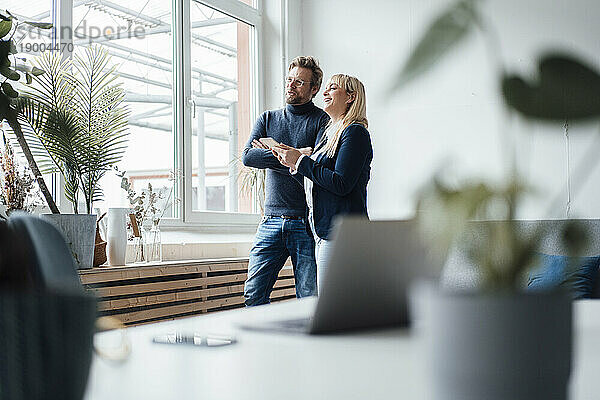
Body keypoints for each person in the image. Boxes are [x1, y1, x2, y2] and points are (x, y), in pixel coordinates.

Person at [242, 56, 329, 306]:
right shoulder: (267, 119)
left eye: (300, 82)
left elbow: (320, 164)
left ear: (314, 89)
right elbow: (248, 156)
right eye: (289, 80)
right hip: (269, 221)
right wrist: (296, 154)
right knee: (253, 294)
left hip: (305, 222)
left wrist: (273, 151)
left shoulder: (322, 121)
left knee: (308, 299)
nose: (291, 85)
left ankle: (307, 346)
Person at [273, 74, 373, 292]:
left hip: (342, 235)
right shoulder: (330, 135)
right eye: (325, 88)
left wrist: (300, 161)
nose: (325, 93)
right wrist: (294, 161)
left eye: (333, 88)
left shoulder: (355, 132)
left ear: (350, 97)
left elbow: (340, 183)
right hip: (324, 233)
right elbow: (320, 181)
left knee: (334, 307)